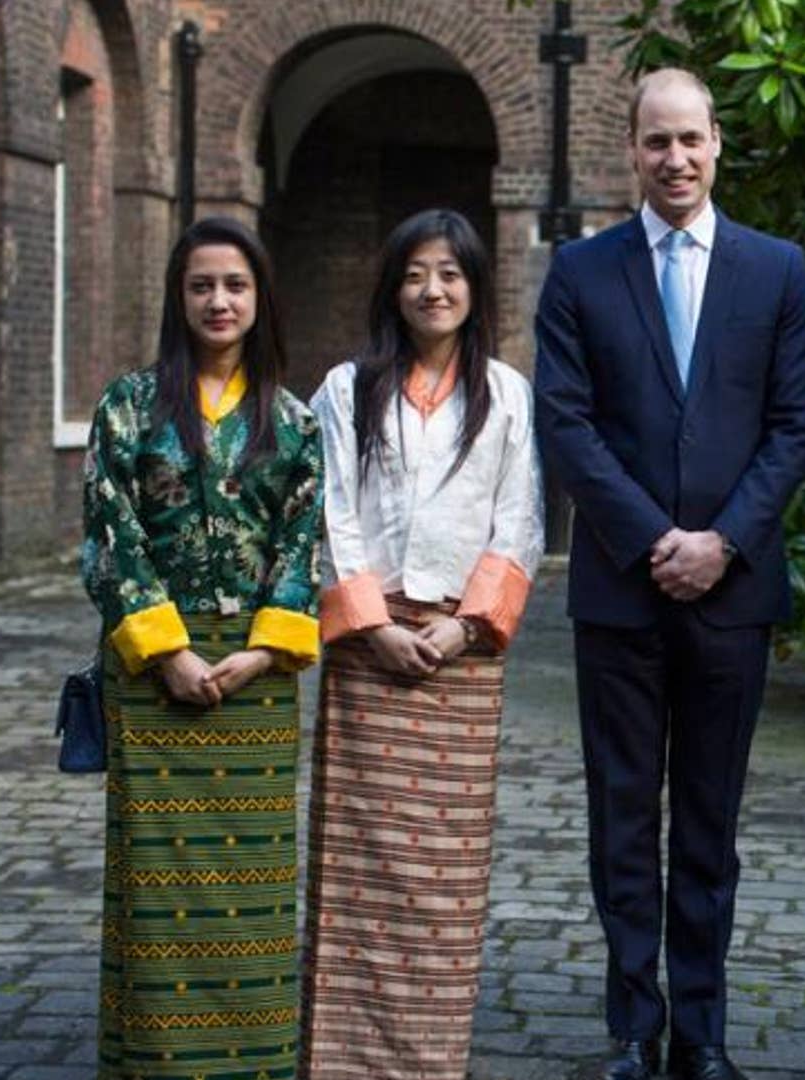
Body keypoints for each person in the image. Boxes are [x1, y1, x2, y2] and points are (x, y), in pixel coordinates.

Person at [533, 68, 805, 1080]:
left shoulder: (776, 271)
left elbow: (794, 427)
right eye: (657, 143)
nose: (676, 160)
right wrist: (657, 539)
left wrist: (722, 543)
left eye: (691, 140)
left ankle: (700, 1032)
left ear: (717, 145)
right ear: (632, 150)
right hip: (620, 592)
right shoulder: (580, 271)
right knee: (623, 817)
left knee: (708, 823)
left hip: (732, 598)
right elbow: (564, 423)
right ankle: (630, 1031)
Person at [297, 208, 543, 1078]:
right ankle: (342, 1058)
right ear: (392, 289)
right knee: (359, 865)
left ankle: (429, 1058)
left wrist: (463, 624)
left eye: (449, 273)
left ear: (475, 288)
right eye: (414, 274)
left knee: (443, 879)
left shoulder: (508, 394)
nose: (432, 289)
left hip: (459, 654)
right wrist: (371, 624)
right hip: (370, 653)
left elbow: (519, 521)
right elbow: (329, 512)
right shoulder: (345, 389)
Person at [81, 215, 321, 1079]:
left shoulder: (293, 421)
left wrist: (263, 652)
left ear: (261, 299)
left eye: (235, 285)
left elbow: (304, 548)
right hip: (154, 671)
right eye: (200, 286)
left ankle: (251, 1062)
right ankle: (153, 1060)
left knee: (248, 893)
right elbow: (111, 538)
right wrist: (164, 650)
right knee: (155, 883)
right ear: (178, 299)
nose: (218, 301)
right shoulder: (128, 406)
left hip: (256, 676)